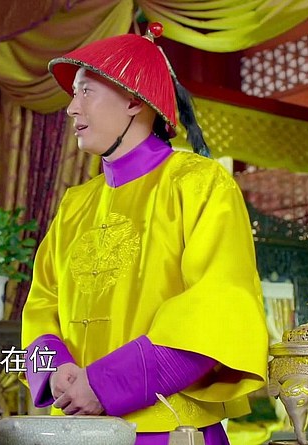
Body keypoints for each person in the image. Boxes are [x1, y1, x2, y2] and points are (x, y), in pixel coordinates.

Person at [21, 23, 268, 444]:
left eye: (86, 91)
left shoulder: (199, 183)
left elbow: (217, 307)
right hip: (77, 430)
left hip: (169, 429)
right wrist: (56, 370)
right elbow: (42, 303)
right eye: (74, 94)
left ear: (134, 99)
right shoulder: (74, 204)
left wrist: (104, 385)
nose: (72, 108)